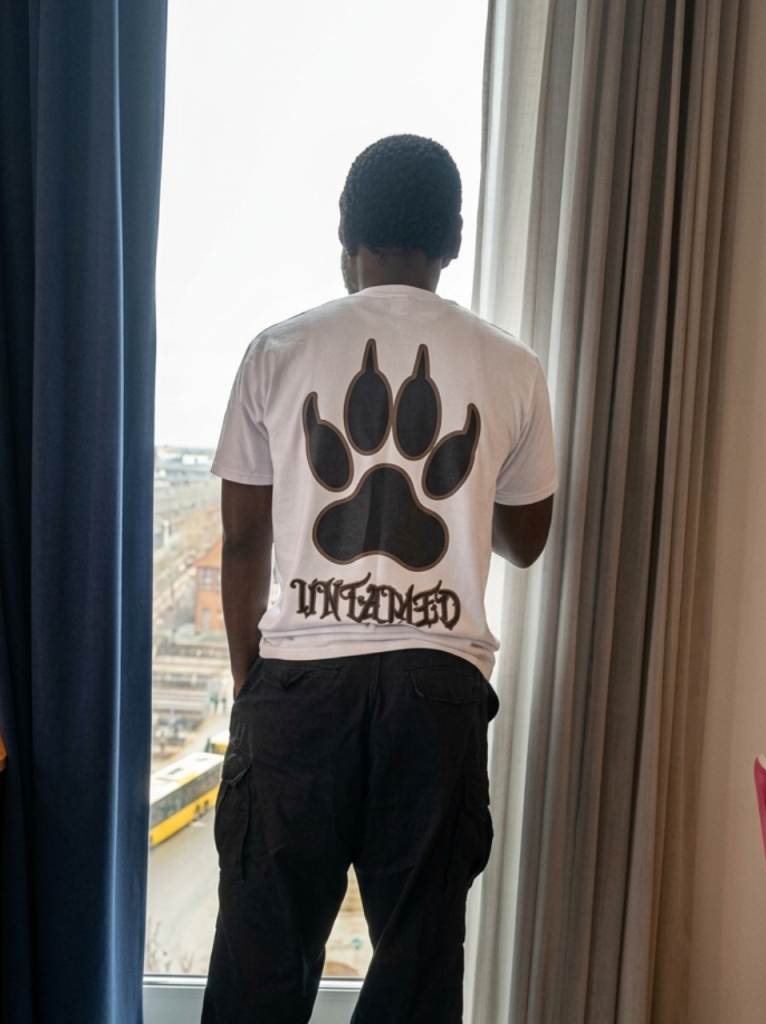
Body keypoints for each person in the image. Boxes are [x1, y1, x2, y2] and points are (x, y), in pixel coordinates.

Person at [202, 134, 557, 1024]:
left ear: (344, 233)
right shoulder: (511, 366)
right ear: (455, 239)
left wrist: (257, 691)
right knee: (416, 972)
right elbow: (527, 538)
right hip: (436, 693)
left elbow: (244, 545)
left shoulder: (277, 351)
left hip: (299, 686)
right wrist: (468, 492)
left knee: (261, 968)